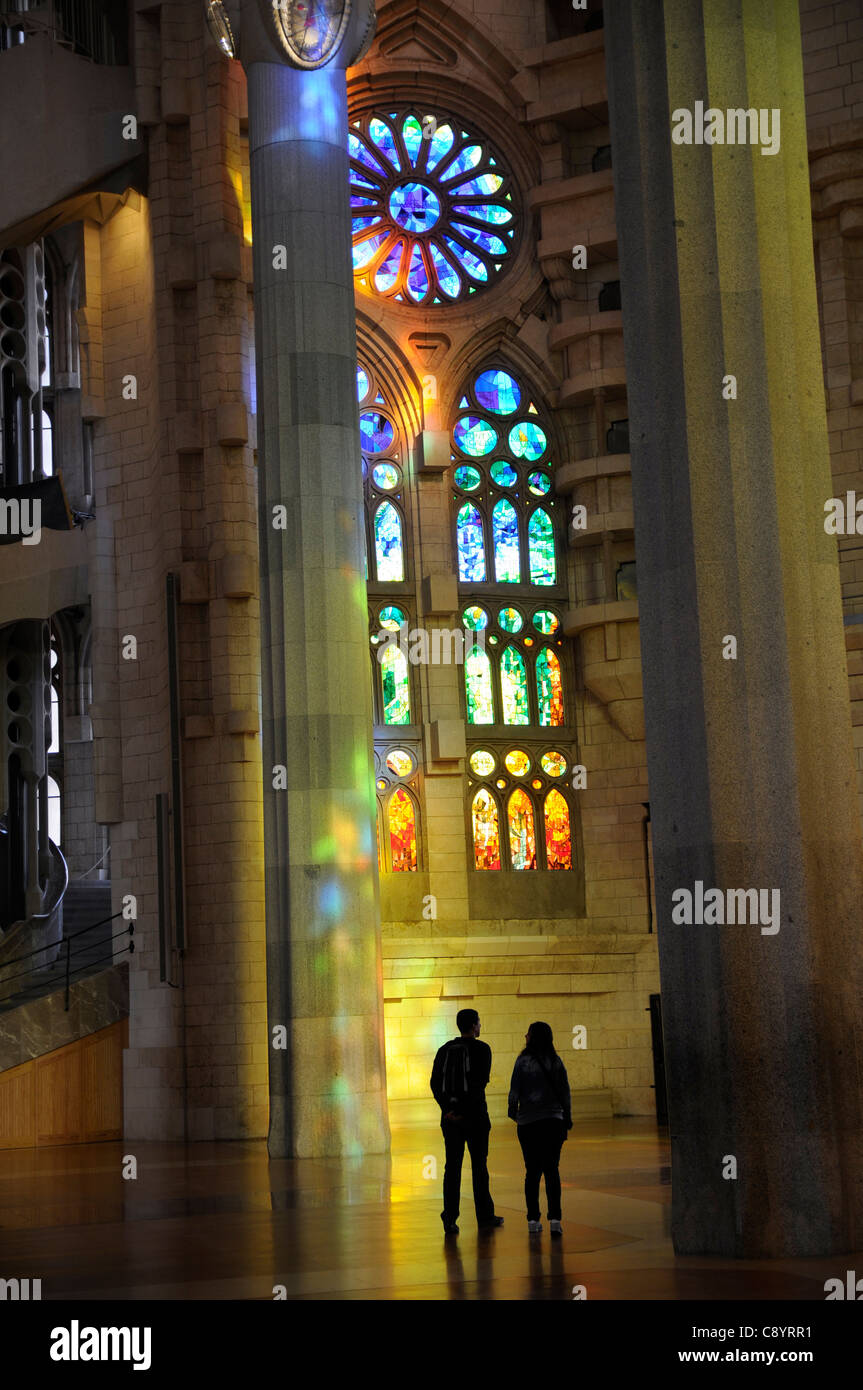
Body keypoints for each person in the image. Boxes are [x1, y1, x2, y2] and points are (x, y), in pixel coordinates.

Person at [430, 1009, 505, 1235]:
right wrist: (464, 1111)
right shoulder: (482, 1049)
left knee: (451, 1168)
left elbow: (434, 1083)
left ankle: (450, 1218)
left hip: (450, 1120)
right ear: (474, 1026)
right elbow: (479, 1083)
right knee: (479, 1167)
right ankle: (485, 1215)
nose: (480, 1026)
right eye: (479, 1023)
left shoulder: (444, 1050)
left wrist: (449, 1110)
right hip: (476, 1118)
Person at [508, 1021, 572, 1235]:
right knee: (552, 1170)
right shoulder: (555, 1060)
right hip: (553, 1121)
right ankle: (555, 1219)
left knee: (532, 1172)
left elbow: (514, 1089)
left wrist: (513, 1111)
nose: (525, 1036)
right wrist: (567, 1116)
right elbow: (565, 1091)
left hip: (529, 1123)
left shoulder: (522, 1061)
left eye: (528, 1034)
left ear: (532, 1037)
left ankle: (533, 1220)